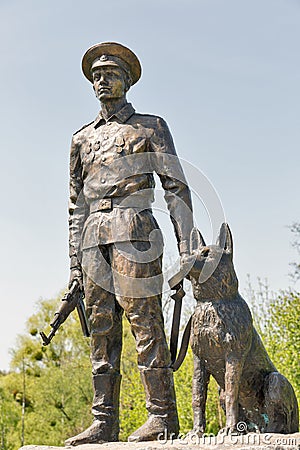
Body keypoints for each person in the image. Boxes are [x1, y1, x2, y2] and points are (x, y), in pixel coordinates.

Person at [65, 42, 193, 446]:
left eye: (110, 74)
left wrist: (188, 250)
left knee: (145, 322)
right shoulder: (81, 139)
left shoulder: (150, 126)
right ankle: (104, 422)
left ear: (127, 80)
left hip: (136, 232)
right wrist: (73, 267)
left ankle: (161, 417)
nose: (102, 80)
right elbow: (75, 206)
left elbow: (175, 189)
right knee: (101, 331)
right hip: (92, 242)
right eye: (96, 76)